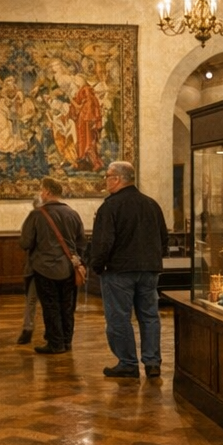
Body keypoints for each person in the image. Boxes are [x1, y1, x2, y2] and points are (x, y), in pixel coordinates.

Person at [90, 160, 167, 379]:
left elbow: (103, 242)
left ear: (117, 179)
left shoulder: (111, 207)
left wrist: (97, 265)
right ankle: (152, 363)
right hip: (149, 270)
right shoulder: (151, 204)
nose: (105, 181)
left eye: (107, 176)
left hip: (119, 271)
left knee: (119, 318)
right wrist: (153, 260)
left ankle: (128, 363)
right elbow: (163, 238)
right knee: (150, 316)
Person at [19, 176, 85, 354]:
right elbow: (81, 242)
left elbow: (25, 242)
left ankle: (55, 343)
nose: (41, 193)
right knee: (67, 306)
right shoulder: (73, 213)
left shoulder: (36, 215)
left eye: (42, 190)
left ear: (47, 192)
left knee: (51, 306)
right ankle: (66, 341)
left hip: (44, 268)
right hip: (69, 268)